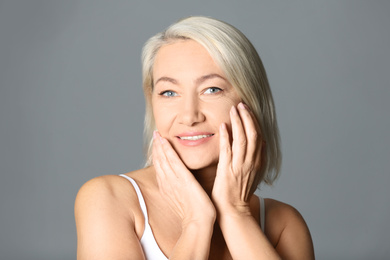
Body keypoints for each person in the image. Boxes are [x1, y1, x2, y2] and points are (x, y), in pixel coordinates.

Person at [75, 16, 315, 260]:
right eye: (169, 92)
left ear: (250, 102)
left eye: (212, 89)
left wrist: (236, 214)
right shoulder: (108, 199)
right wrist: (196, 222)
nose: (189, 116)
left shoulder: (284, 224)